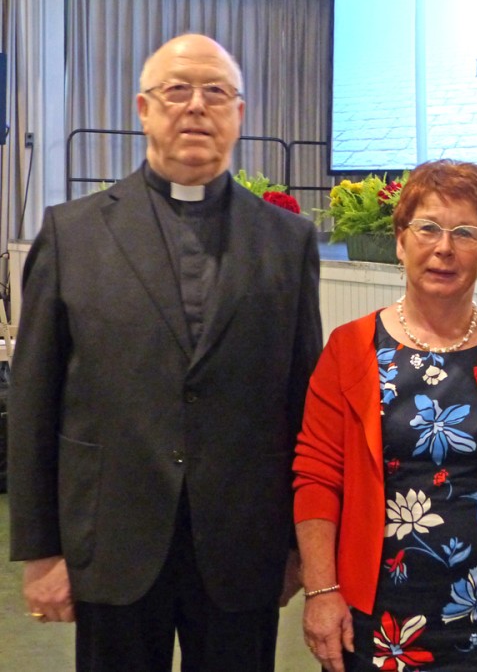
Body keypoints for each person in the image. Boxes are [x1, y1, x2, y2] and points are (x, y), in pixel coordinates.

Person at [7, 33, 323, 671]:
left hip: (242, 548)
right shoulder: (72, 233)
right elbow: (34, 401)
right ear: (143, 108)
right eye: (177, 90)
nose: (196, 107)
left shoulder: (287, 241)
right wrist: (40, 552)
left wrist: (300, 547)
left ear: (240, 113)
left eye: (217, 92)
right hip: (113, 542)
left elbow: (301, 403)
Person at [293, 159, 477, 672]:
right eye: (428, 228)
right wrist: (321, 589)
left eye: (466, 233)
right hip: (375, 618)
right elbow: (316, 474)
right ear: (401, 241)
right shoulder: (350, 349)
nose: (444, 247)